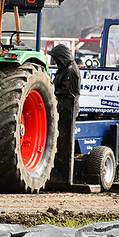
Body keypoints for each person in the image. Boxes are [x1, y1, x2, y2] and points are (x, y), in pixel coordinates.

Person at [47, 43, 81, 187]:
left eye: (56, 58)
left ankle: (63, 175)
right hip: (62, 107)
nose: (54, 61)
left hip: (68, 108)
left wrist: (50, 91)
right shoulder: (64, 69)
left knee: (64, 140)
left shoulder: (71, 70)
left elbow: (66, 91)